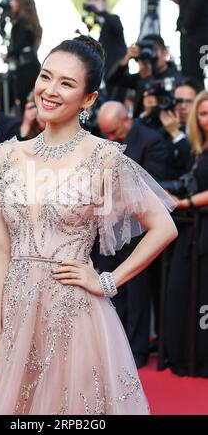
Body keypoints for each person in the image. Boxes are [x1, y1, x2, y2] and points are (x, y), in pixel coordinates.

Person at [0, 36, 177, 415]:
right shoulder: (6, 156)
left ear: (88, 99)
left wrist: (107, 281)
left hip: (75, 316)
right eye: (45, 77)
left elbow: (164, 227)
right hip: (11, 313)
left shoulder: (104, 158)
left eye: (67, 83)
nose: (50, 91)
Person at [94, 101, 167, 367]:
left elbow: (154, 187)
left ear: (127, 119)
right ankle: (113, 345)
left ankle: (137, 352)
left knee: (137, 294)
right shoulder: (102, 143)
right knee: (109, 293)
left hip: (138, 231)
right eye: (106, 133)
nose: (110, 138)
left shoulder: (151, 140)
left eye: (114, 131)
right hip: (106, 229)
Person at [165, 90, 208, 377]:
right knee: (182, 292)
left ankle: (201, 360)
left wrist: (185, 202)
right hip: (193, 229)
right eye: (203, 113)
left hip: (201, 226)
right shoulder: (199, 149)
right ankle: (186, 355)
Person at [6, 0, 42, 114]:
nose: (11, 3)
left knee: (26, 105)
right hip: (32, 66)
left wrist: (7, 55)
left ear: (20, 2)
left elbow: (19, 46)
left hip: (24, 69)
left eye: (14, 0)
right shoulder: (30, 22)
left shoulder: (21, 23)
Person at [176, 0, 208, 86]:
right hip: (200, 33)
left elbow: (197, 1)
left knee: (192, 80)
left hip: (195, 35)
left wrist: (186, 27)